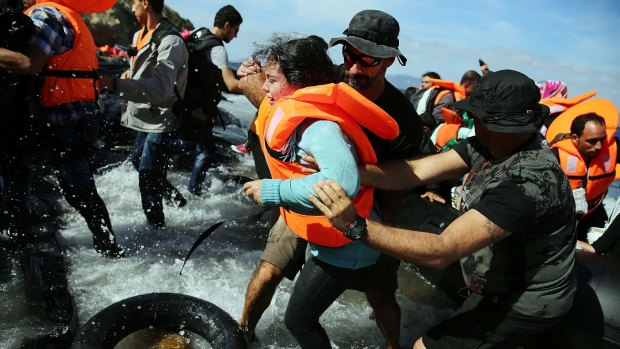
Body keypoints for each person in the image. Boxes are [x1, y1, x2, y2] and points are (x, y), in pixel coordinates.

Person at [310, 69, 577, 349]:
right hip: (496, 281)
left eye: (481, 118)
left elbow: (441, 250)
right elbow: (415, 171)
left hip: (527, 300)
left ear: (511, 126)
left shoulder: (528, 182)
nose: (473, 122)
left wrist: (354, 225)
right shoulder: (487, 145)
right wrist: (349, 170)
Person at [237, 10, 436, 349]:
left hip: (365, 212)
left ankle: (393, 347)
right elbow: (277, 99)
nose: (355, 67)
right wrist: (252, 75)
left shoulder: (402, 116)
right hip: (301, 198)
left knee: (380, 295)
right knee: (269, 271)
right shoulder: (325, 79)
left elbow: (413, 173)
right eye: (349, 53)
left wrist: (381, 224)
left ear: (389, 61)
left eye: (368, 59)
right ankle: (241, 334)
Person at [0, 0, 123, 257]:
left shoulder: (46, 14)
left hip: (69, 120)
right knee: (75, 189)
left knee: (78, 190)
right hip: (79, 114)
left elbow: (28, 64)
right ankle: (106, 244)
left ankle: (110, 248)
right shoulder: (63, 13)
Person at [100, 0, 188, 228]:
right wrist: (130, 72)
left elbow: (160, 90)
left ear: (145, 3)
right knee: (139, 161)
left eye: (133, 3)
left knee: (147, 173)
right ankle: (178, 202)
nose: (130, 8)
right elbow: (140, 70)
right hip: (145, 115)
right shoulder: (139, 35)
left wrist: (114, 84)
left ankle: (158, 233)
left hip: (163, 118)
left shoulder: (171, 41)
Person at [187, 5, 244, 195]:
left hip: (183, 100)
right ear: (227, 25)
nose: (235, 36)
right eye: (236, 30)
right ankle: (194, 192)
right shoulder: (218, 49)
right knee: (206, 152)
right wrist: (256, 85)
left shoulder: (198, 33)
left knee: (194, 144)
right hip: (199, 108)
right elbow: (231, 85)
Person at [546, 102, 619, 241]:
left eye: (602, 139)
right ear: (574, 138)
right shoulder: (555, 157)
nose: (598, 146)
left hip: (594, 210)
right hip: (560, 215)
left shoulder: (612, 150)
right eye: (592, 141)